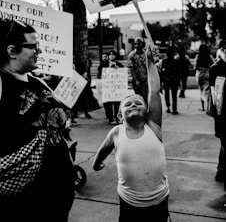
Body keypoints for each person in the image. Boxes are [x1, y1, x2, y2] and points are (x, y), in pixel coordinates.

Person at [0, 18, 75, 222]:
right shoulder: (2, 84)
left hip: (57, 196)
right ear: (12, 51)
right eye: (32, 46)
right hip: (27, 203)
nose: (38, 51)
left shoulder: (37, 81)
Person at [92, 45, 170, 222]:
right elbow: (103, 150)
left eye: (138, 103)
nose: (134, 104)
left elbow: (154, 91)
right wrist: (96, 164)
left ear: (148, 111)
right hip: (129, 201)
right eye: (128, 104)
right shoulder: (116, 133)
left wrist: (150, 63)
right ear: (120, 116)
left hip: (159, 199)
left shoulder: (153, 126)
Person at [209, 39, 226, 187]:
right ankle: (221, 171)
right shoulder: (215, 69)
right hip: (222, 114)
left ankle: (221, 170)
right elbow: (215, 96)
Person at [103, 50, 124, 125]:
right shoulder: (104, 63)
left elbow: (122, 72)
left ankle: (117, 117)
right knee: (108, 103)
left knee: (117, 103)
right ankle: (110, 118)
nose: (111, 56)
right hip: (108, 86)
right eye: (110, 55)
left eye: (113, 55)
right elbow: (101, 72)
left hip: (116, 86)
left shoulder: (119, 64)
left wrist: (116, 67)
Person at [128, 37, 148, 104]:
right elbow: (131, 68)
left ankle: (146, 110)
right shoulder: (132, 55)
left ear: (142, 44)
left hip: (145, 78)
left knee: (145, 95)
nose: (137, 45)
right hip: (136, 78)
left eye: (139, 43)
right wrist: (136, 80)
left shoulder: (146, 54)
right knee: (138, 96)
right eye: (136, 44)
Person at [161, 46, 181, 114]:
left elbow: (162, 72)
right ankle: (174, 109)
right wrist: (178, 81)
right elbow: (178, 72)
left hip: (166, 79)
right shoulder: (175, 62)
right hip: (174, 79)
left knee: (167, 94)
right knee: (174, 95)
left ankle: (168, 107)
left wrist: (161, 81)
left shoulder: (164, 61)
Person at [194, 44, 214, 112]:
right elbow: (213, 65)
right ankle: (208, 108)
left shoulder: (198, 57)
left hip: (200, 74)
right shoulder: (209, 57)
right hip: (208, 73)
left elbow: (195, 66)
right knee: (208, 92)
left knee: (201, 91)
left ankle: (202, 107)